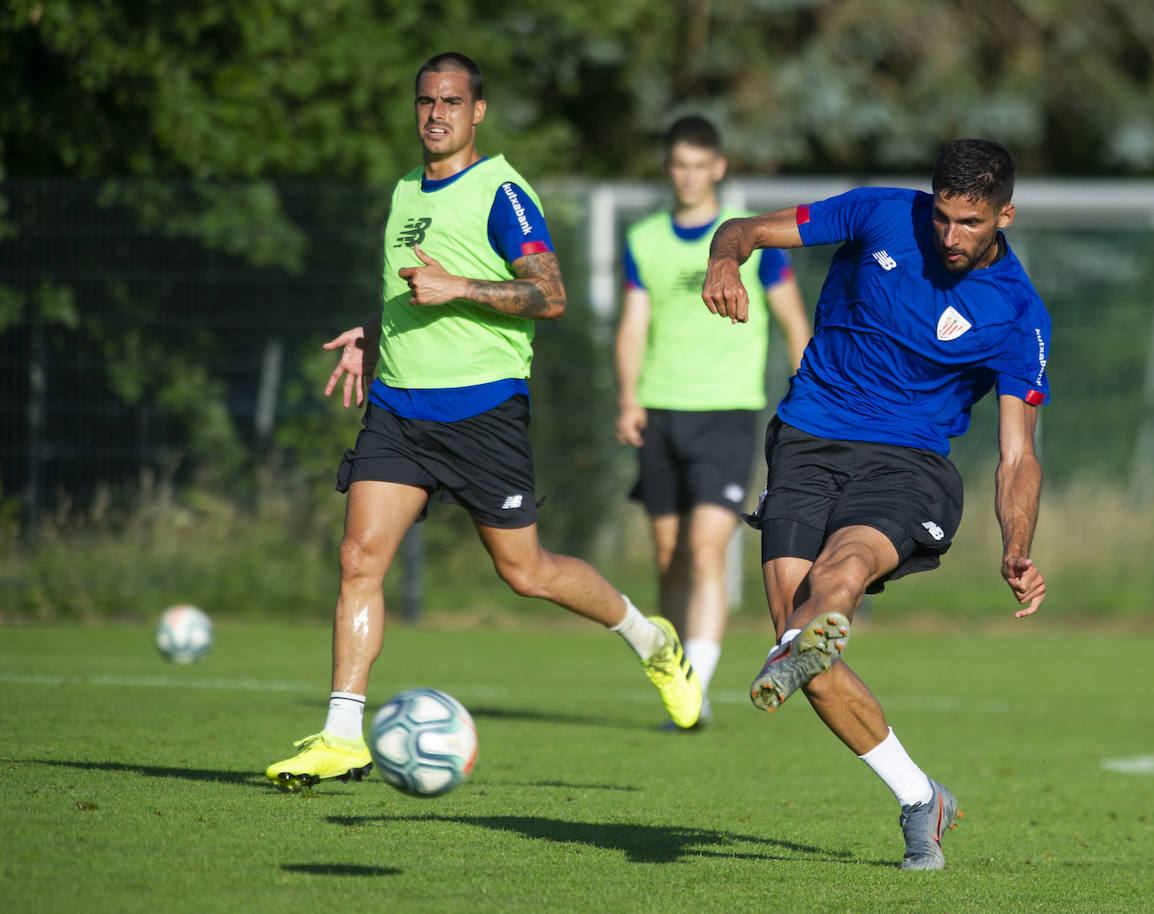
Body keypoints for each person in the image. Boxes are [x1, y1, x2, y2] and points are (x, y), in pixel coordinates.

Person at [266, 52, 701, 790]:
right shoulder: (406, 190)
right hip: (400, 409)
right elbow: (416, 290)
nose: (436, 114)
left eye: (451, 102)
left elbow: (550, 295)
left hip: (482, 412)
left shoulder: (503, 191)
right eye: (425, 101)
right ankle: (343, 735)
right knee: (357, 559)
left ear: (478, 113)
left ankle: (648, 636)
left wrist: (457, 288)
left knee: (525, 573)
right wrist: (378, 330)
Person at [700, 138, 1050, 869]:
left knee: (843, 567)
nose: (949, 238)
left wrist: (1017, 544)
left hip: (910, 465)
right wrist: (724, 262)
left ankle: (815, 631)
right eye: (943, 218)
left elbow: (1017, 455)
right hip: (807, 439)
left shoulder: (1017, 311)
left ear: (1004, 216)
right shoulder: (879, 214)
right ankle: (922, 798)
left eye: (970, 224)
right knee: (802, 649)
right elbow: (746, 230)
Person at [614, 116, 810, 729]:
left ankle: (693, 687)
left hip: (727, 410)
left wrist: (809, 401)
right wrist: (627, 397)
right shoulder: (644, 239)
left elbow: (793, 324)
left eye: (701, 164)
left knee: (706, 551)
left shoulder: (749, 241)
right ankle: (675, 672)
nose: (690, 175)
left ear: (719, 168)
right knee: (670, 555)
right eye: (679, 164)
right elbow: (632, 325)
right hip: (660, 409)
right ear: (669, 169)